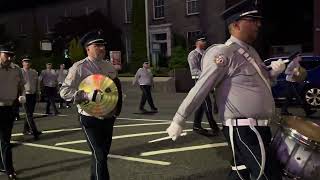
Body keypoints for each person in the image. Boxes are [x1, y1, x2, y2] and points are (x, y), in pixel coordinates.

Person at [166, 0, 286, 179]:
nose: (258, 24)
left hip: (260, 128)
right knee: (269, 175)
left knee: (240, 173)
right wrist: (179, 119)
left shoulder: (251, 52)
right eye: (253, 19)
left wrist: (274, 72)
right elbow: (201, 87)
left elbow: (257, 83)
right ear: (236, 24)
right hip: (245, 129)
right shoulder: (222, 53)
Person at [60, 31, 122, 180]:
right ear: (88, 48)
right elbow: (64, 91)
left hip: (108, 116)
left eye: (103, 45)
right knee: (99, 154)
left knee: (101, 155)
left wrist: (117, 108)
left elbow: (116, 87)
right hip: (89, 117)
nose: (102, 48)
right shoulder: (79, 67)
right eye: (97, 45)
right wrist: (86, 95)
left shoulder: (108, 66)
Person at [0, 43, 25, 180]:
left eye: (11, 56)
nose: (9, 58)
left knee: (5, 140)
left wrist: (22, 95)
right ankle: (5, 166)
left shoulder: (16, 69)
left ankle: (8, 168)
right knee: (3, 140)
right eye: (6, 55)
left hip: (9, 107)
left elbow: (21, 85)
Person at [188, 35, 220, 135]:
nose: (205, 42)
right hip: (199, 82)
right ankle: (214, 127)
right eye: (202, 41)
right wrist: (207, 74)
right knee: (207, 105)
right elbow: (194, 70)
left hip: (208, 81)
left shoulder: (206, 54)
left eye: (205, 41)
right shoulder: (193, 54)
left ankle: (196, 126)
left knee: (201, 105)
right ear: (197, 42)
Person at [21, 55, 42, 139]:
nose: (27, 63)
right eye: (25, 62)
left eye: (28, 62)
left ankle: (25, 129)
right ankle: (34, 131)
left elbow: (37, 84)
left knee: (30, 113)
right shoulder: (20, 71)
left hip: (32, 94)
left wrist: (38, 93)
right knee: (29, 114)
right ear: (22, 63)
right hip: (24, 95)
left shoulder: (34, 72)